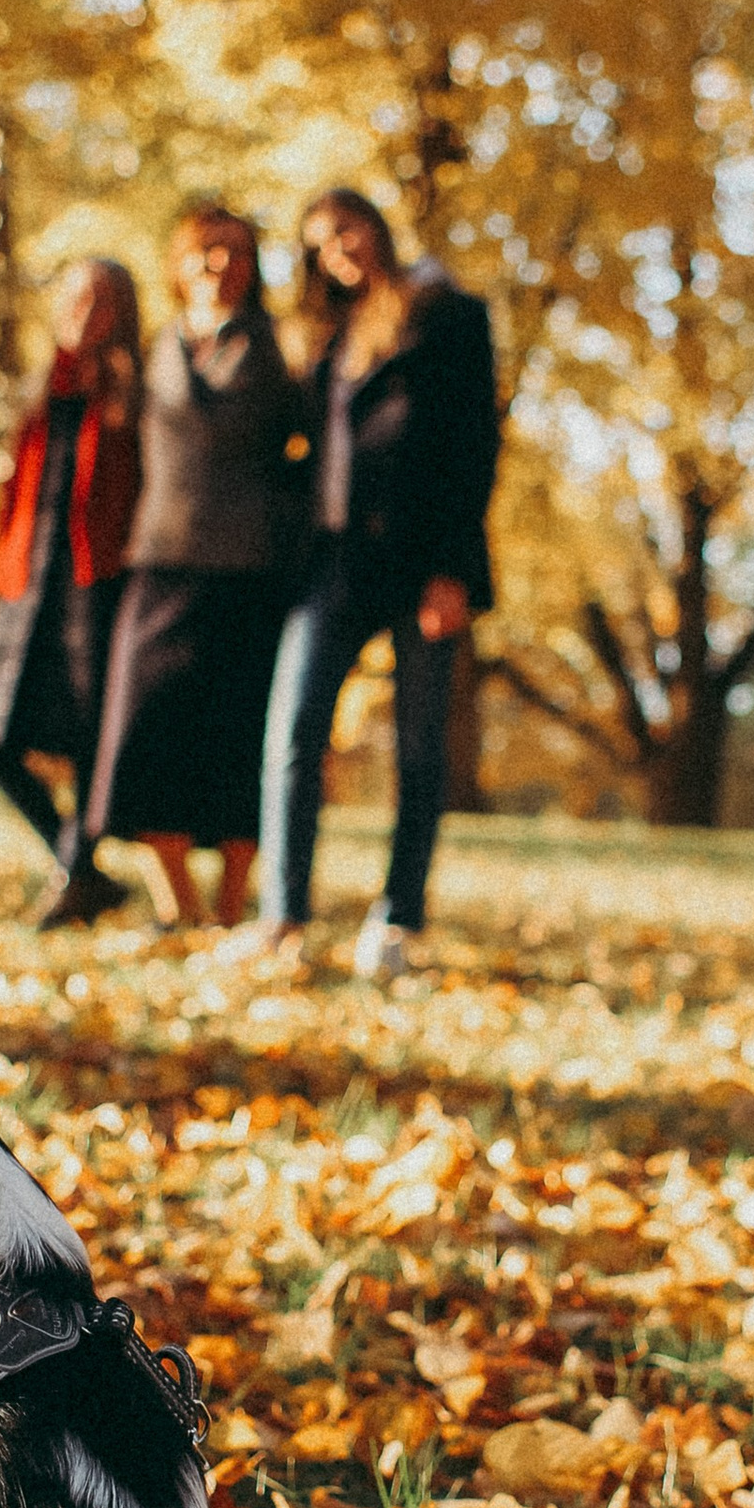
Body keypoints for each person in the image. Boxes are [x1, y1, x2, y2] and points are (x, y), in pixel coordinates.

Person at [252, 185, 500, 981]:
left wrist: (453, 572)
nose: (340, 250)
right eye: (321, 242)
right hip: (332, 562)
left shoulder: (448, 314)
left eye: (348, 230)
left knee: (419, 747)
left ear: (378, 227)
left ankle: (397, 918)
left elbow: (474, 448)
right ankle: (283, 915)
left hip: (422, 560)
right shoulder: (328, 336)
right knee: (293, 733)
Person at [86, 201, 306, 925]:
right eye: (202, 251)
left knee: (240, 737)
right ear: (177, 265)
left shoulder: (284, 346)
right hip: (159, 561)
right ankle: (177, 904)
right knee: (144, 729)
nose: (217, 264)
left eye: (234, 251)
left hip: (255, 569)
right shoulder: (150, 348)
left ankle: (232, 908)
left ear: (253, 265)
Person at [0, 254, 141, 928]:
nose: (83, 315)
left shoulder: (133, 395)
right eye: (72, 300)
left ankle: (78, 874)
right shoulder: (41, 390)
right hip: (28, 582)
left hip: (97, 583)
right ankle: (81, 866)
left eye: (99, 302)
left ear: (121, 313)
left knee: (91, 738)